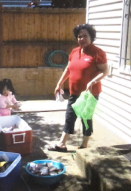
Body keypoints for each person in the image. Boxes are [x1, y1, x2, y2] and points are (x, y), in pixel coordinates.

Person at [48, 24, 109, 152]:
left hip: (89, 94)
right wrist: (59, 84)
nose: (82, 39)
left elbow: (105, 71)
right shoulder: (75, 51)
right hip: (74, 92)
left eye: (85, 36)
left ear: (91, 37)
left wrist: (93, 81)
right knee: (70, 117)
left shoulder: (97, 52)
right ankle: (62, 144)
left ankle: (85, 144)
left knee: (85, 118)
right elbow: (68, 69)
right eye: (79, 36)